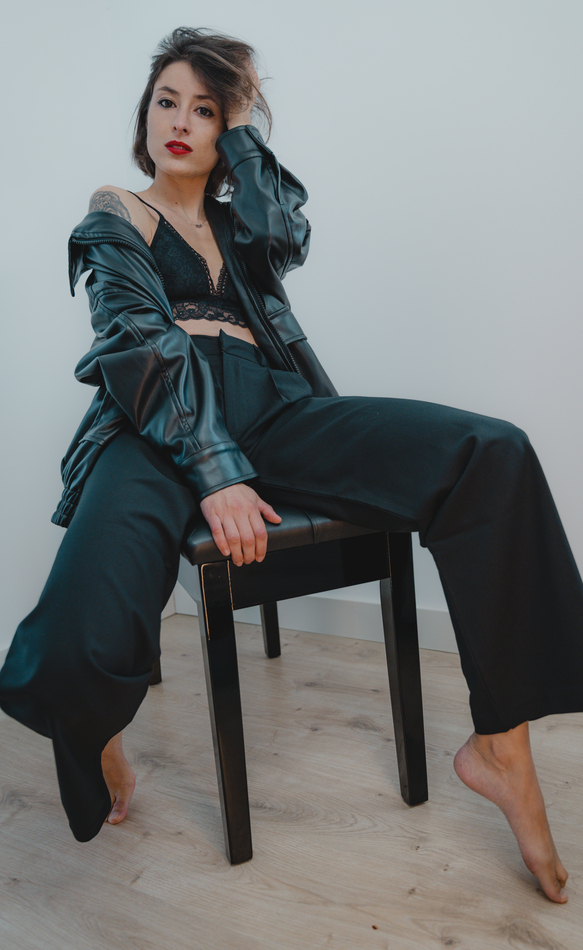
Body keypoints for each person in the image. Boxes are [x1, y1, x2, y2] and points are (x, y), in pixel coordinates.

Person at [1, 26, 582, 904]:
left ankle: (501, 746)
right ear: (143, 115)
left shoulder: (243, 221)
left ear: (228, 124)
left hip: (274, 407)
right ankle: (95, 730)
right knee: (84, 629)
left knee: (491, 452)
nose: (181, 122)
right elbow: (137, 338)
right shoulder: (116, 208)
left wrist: (243, 131)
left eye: (206, 109)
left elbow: (286, 229)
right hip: (154, 417)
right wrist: (214, 469)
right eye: (167, 102)